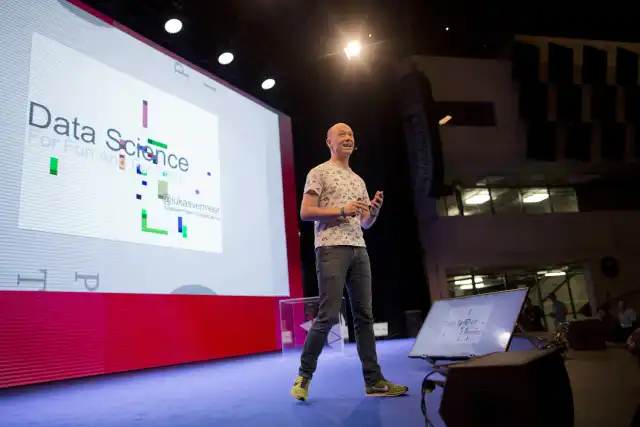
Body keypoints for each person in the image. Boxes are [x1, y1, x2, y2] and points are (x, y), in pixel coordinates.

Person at [290, 123, 408, 401]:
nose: (347, 137)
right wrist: (342, 209)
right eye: (341, 134)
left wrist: (374, 212)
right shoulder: (318, 172)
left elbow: (364, 223)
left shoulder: (358, 180)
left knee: (364, 317)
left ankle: (374, 381)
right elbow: (306, 212)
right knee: (328, 314)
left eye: (351, 135)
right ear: (328, 141)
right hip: (330, 247)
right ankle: (304, 376)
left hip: (359, 249)